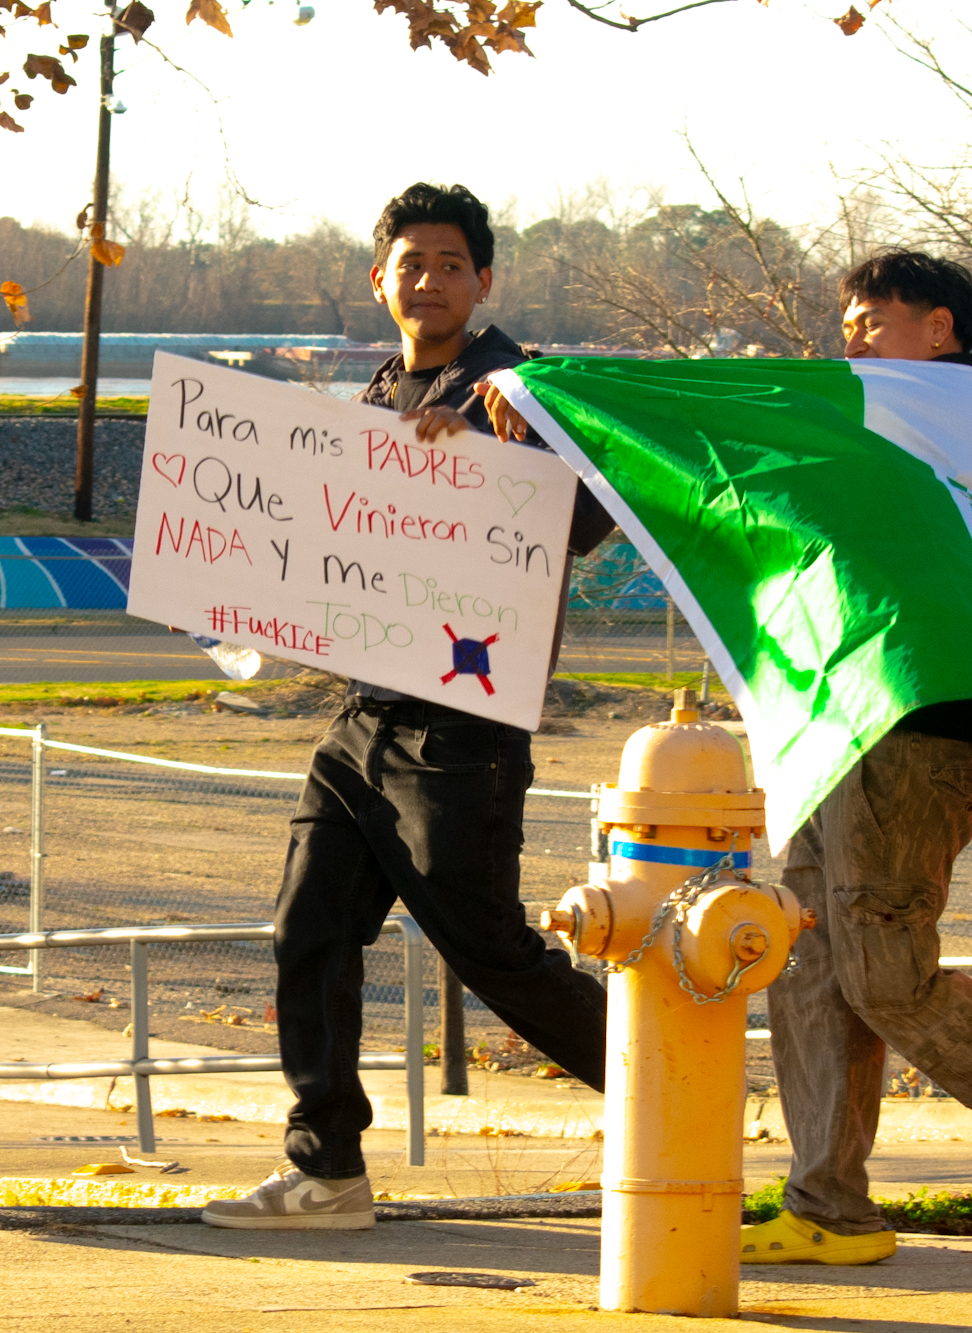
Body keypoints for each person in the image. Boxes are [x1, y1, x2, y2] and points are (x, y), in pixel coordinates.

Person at [475, 249, 972, 1265]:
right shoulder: (888, 415)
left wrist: (570, 384)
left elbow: (748, 403)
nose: (852, 336)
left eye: (873, 318)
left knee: (884, 973)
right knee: (804, 962)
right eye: (846, 319)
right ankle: (828, 1201)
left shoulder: (954, 411)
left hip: (918, 728)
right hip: (837, 719)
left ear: (940, 329)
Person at [203, 183, 614, 1230]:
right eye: (409, 262)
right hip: (362, 715)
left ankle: (678, 1096)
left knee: (489, 952)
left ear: (483, 282)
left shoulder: (518, 391)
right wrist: (228, 591)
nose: (426, 279)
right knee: (310, 928)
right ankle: (325, 1167)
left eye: (449, 263)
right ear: (377, 278)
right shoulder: (378, 392)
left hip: (461, 724)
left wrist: (501, 452)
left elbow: (588, 523)